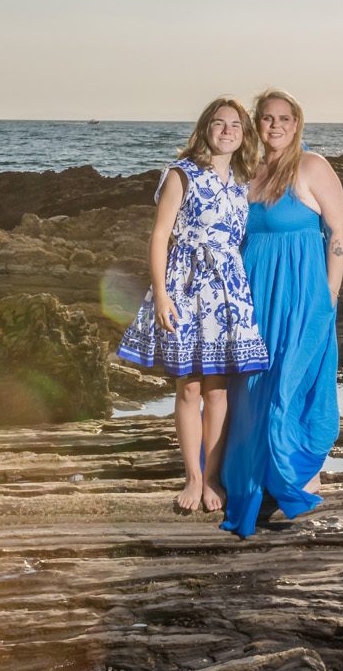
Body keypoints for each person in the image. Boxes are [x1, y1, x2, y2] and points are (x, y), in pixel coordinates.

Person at [115, 97, 269, 513]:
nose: (226, 131)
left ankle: (214, 477)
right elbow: (160, 236)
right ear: (205, 129)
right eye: (218, 124)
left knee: (218, 390)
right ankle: (193, 477)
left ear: (244, 134)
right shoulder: (181, 174)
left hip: (227, 292)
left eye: (235, 125)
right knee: (190, 388)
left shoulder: (243, 179)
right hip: (185, 287)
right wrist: (161, 295)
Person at [220, 88, 343, 538]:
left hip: (300, 295)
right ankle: (259, 475)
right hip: (252, 295)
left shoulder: (312, 167)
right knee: (251, 388)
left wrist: (329, 294)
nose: (275, 126)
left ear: (297, 125)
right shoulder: (249, 171)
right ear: (256, 124)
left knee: (291, 381)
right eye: (268, 119)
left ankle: (295, 474)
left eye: (284, 119)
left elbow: (339, 229)